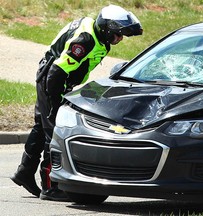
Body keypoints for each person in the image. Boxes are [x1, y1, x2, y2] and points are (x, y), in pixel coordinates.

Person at [11, 4, 143, 201]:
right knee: (54, 130)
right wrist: (56, 102)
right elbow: (57, 71)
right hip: (52, 80)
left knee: (41, 126)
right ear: (106, 28)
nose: (119, 39)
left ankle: (24, 171)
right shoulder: (86, 40)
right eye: (117, 35)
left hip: (51, 77)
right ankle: (50, 187)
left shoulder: (94, 32)